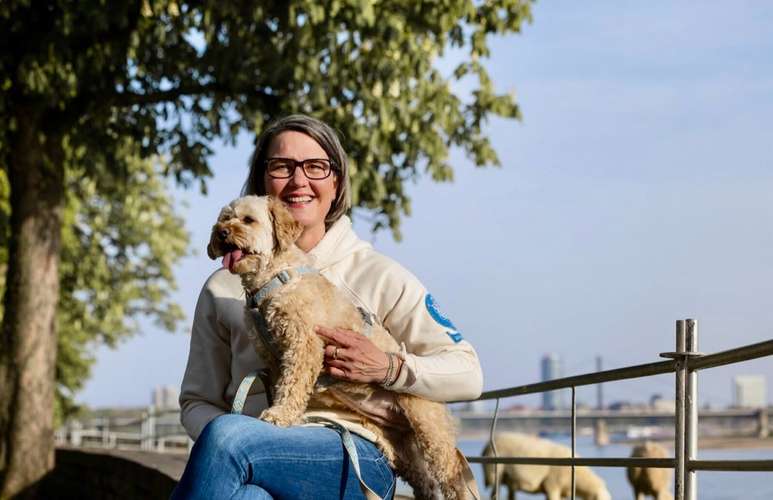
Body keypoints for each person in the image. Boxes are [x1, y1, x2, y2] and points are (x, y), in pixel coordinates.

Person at [172, 114, 483, 499]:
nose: (299, 180)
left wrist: (390, 368)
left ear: (336, 184)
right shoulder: (222, 287)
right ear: (262, 181)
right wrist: (244, 448)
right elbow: (196, 402)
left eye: (316, 167)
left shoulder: (380, 275)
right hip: (248, 455)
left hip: (355, 454)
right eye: (282, 166)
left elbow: (468, 372)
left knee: (227, 436)